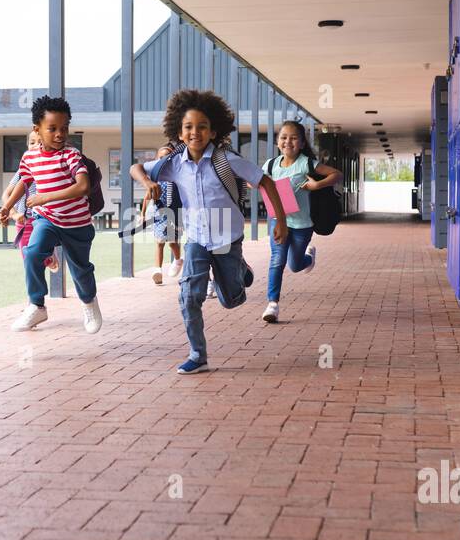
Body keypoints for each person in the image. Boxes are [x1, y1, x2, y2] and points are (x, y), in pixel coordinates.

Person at [132, 89, 287, 374]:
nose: (195, 132)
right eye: (188, 127)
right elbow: (136, 167)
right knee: (189, 296)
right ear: (179, 133)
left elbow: (266, 182)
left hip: (227, 239)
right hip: (197, 240)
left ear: (213, 131)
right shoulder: (174, 164)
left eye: (202, 126)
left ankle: (239, 270)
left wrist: (281, 222)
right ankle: (198, 355)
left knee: (231, 300)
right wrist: (146, 183)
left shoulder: (226, 160)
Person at [0, 95, 102, 333]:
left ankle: (89, 302)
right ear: (37, 129)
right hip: (46, 219)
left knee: (80, 268)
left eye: (64, 128)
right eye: (52, 128)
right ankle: (37, 305)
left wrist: (45, 197)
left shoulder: (71, 155)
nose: (60, 134)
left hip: (76, 223)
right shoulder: (30, 157)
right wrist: (7, 207)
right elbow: (25, 181)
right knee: (33, 252)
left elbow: (83, 186)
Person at [261, 120, 342, 323]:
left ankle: (308, 258)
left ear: (302, 143)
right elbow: (259, 181)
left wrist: (317, 185)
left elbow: (337, 174)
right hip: (278, 222)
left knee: (295, 266)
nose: (288, 141)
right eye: (284, 137)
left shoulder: (306, 163)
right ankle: (273, 304)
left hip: (302, 226)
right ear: (278, 141)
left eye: (294, 138)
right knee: (277, 260)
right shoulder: (270, 165)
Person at [6, 130, 60, 272]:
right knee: (28, 261)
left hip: (45, 220)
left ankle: (48, 255)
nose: (36, 146)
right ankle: (35, 292)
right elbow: (6, 195)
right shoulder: (23, 170)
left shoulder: (51, 168)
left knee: (41, 248)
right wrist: (14, 214)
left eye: (40, 143)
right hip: (25, 220)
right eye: (32, 142)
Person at [138, 177, 182, 284]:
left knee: (172, 243)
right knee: (159, 242)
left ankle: (177, 260)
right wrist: (142, 214)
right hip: (159, 215)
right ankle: (158, 270)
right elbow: (147, 197)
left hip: (174, 215)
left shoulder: (176, 180)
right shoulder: (156, 182)